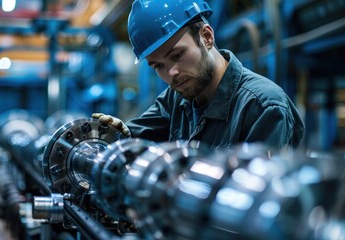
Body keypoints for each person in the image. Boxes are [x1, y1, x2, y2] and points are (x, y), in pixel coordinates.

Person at [93, 0, 305, 150]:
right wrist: (116, 135)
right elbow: (131, 135)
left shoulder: (263, 107)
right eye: (158, 66)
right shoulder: (175, 98)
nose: (171, 73)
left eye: (177, 55)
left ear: (206, 36)